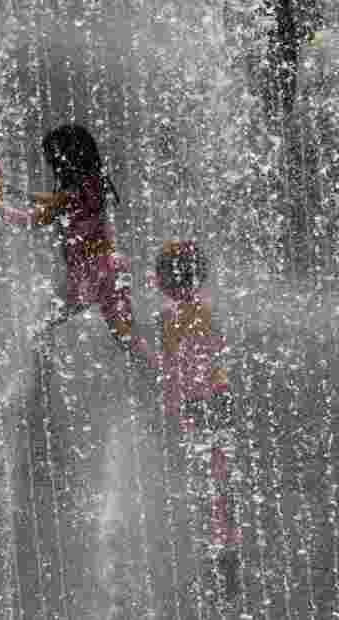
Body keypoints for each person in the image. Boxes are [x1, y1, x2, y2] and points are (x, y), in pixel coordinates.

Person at [0, 124, 159, 368]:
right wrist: (11, 190)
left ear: (63, 159)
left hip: (85, 275)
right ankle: (159, 376)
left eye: (52, 158)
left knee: (40, 327)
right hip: (111, 268)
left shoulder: (67, 197)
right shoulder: (94, 183)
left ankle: (43, 388)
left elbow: (29, 220)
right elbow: (53, 201)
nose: (50, 164)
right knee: (126, 337)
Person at [147, 240, 240, 599]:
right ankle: (227, 537)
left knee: (204, 471)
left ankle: (218, 541)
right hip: (220, 394)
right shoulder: (208, 303)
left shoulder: (170, 313)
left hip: (195, 401)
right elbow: (215, 348)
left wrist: (171, 407)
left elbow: (174, 365)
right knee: (220, 469)